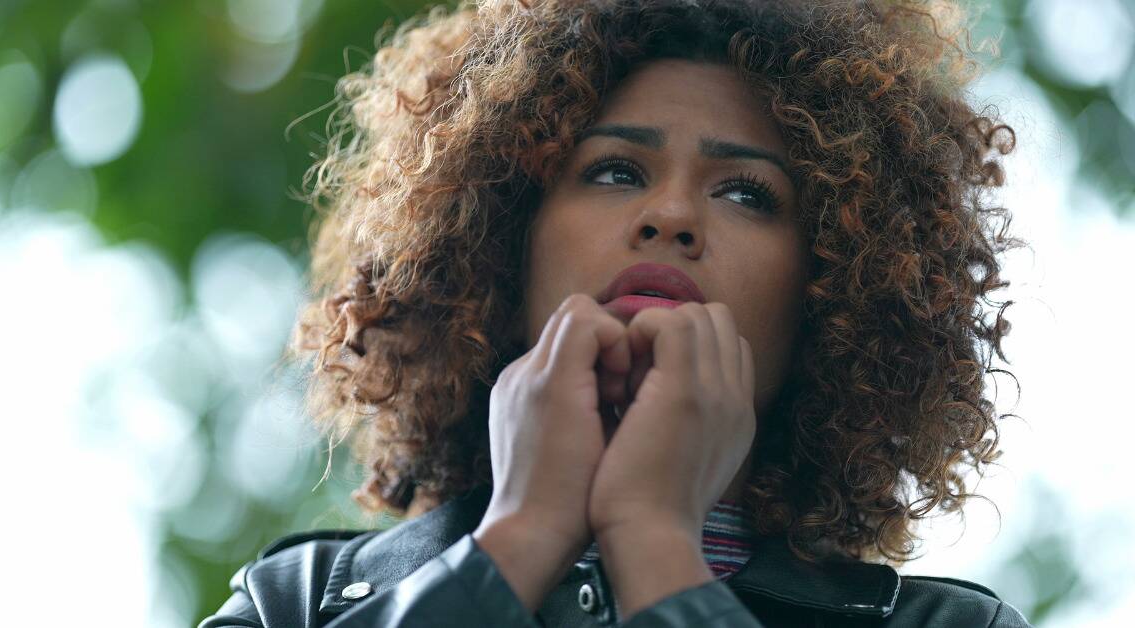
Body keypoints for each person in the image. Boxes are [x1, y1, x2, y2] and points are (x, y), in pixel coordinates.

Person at [200, 0, 1031, 625]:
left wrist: (656, 542)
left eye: (747, 192)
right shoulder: (294, 602)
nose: (670, 216)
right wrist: (522, 534)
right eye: (615, 173)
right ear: (503, 234)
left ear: (830, 288)